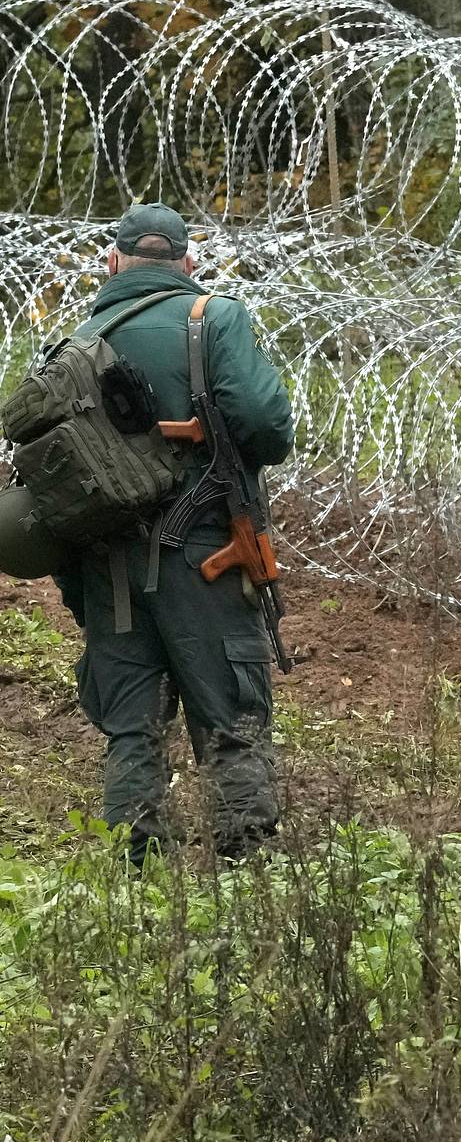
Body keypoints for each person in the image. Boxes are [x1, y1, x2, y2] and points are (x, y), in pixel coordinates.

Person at [55, 202, 294, 866]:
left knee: (131, 731)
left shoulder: (77, 342)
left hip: (109, 569)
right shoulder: (213, 320)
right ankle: (246, 881)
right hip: (209, 559)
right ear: (188, 262)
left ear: (114, 263)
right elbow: (270, 430)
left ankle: (135, 886)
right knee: (231, 723)